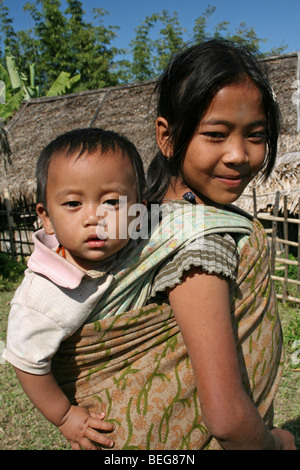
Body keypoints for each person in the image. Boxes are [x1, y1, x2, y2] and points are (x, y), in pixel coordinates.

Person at [49, 39, 295, 450]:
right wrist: (278, 445)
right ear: (167, 137)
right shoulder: (199, 241)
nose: (238, 154)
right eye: (215, 134)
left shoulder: (141, 220)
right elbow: (227, 418)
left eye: (256, 135)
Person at [2, 127, 146, 450]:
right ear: (47, 217)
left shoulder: (138, 244)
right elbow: (25, 360)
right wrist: (65, 415)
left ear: (139, 212)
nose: (94, 217)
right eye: (72, 203)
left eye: (112, 201)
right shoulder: (43, 295)